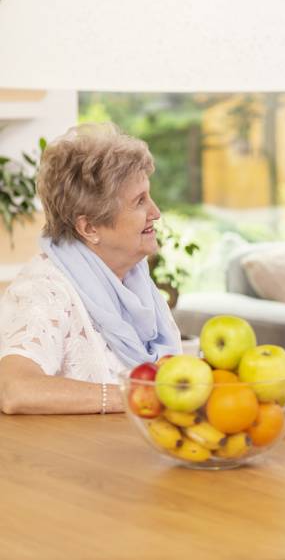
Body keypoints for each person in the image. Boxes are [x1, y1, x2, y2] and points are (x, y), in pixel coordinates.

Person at [0, 124, 180, 415]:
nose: (156, 212)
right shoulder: (44, 291)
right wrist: (137, 396)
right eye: (139, 201)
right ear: (89, 227)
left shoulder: (135, 280)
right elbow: (13, 389)